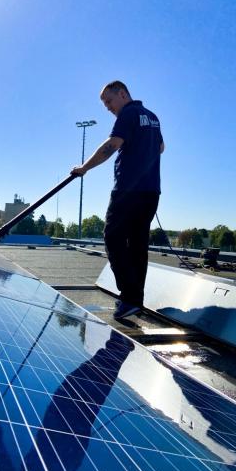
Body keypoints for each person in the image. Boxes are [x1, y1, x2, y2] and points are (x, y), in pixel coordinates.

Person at [71, 80, 164, 319]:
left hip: (128, 190)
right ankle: (134, 301)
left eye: (109, 101)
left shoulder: (128, 113)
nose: (108, 107)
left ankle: (129, 295)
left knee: (113, 238)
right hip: (151, 190)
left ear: (122, 94)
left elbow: (112, 145)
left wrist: (84, 168)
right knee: (137, 245)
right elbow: (161, 147)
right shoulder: (152, 116)